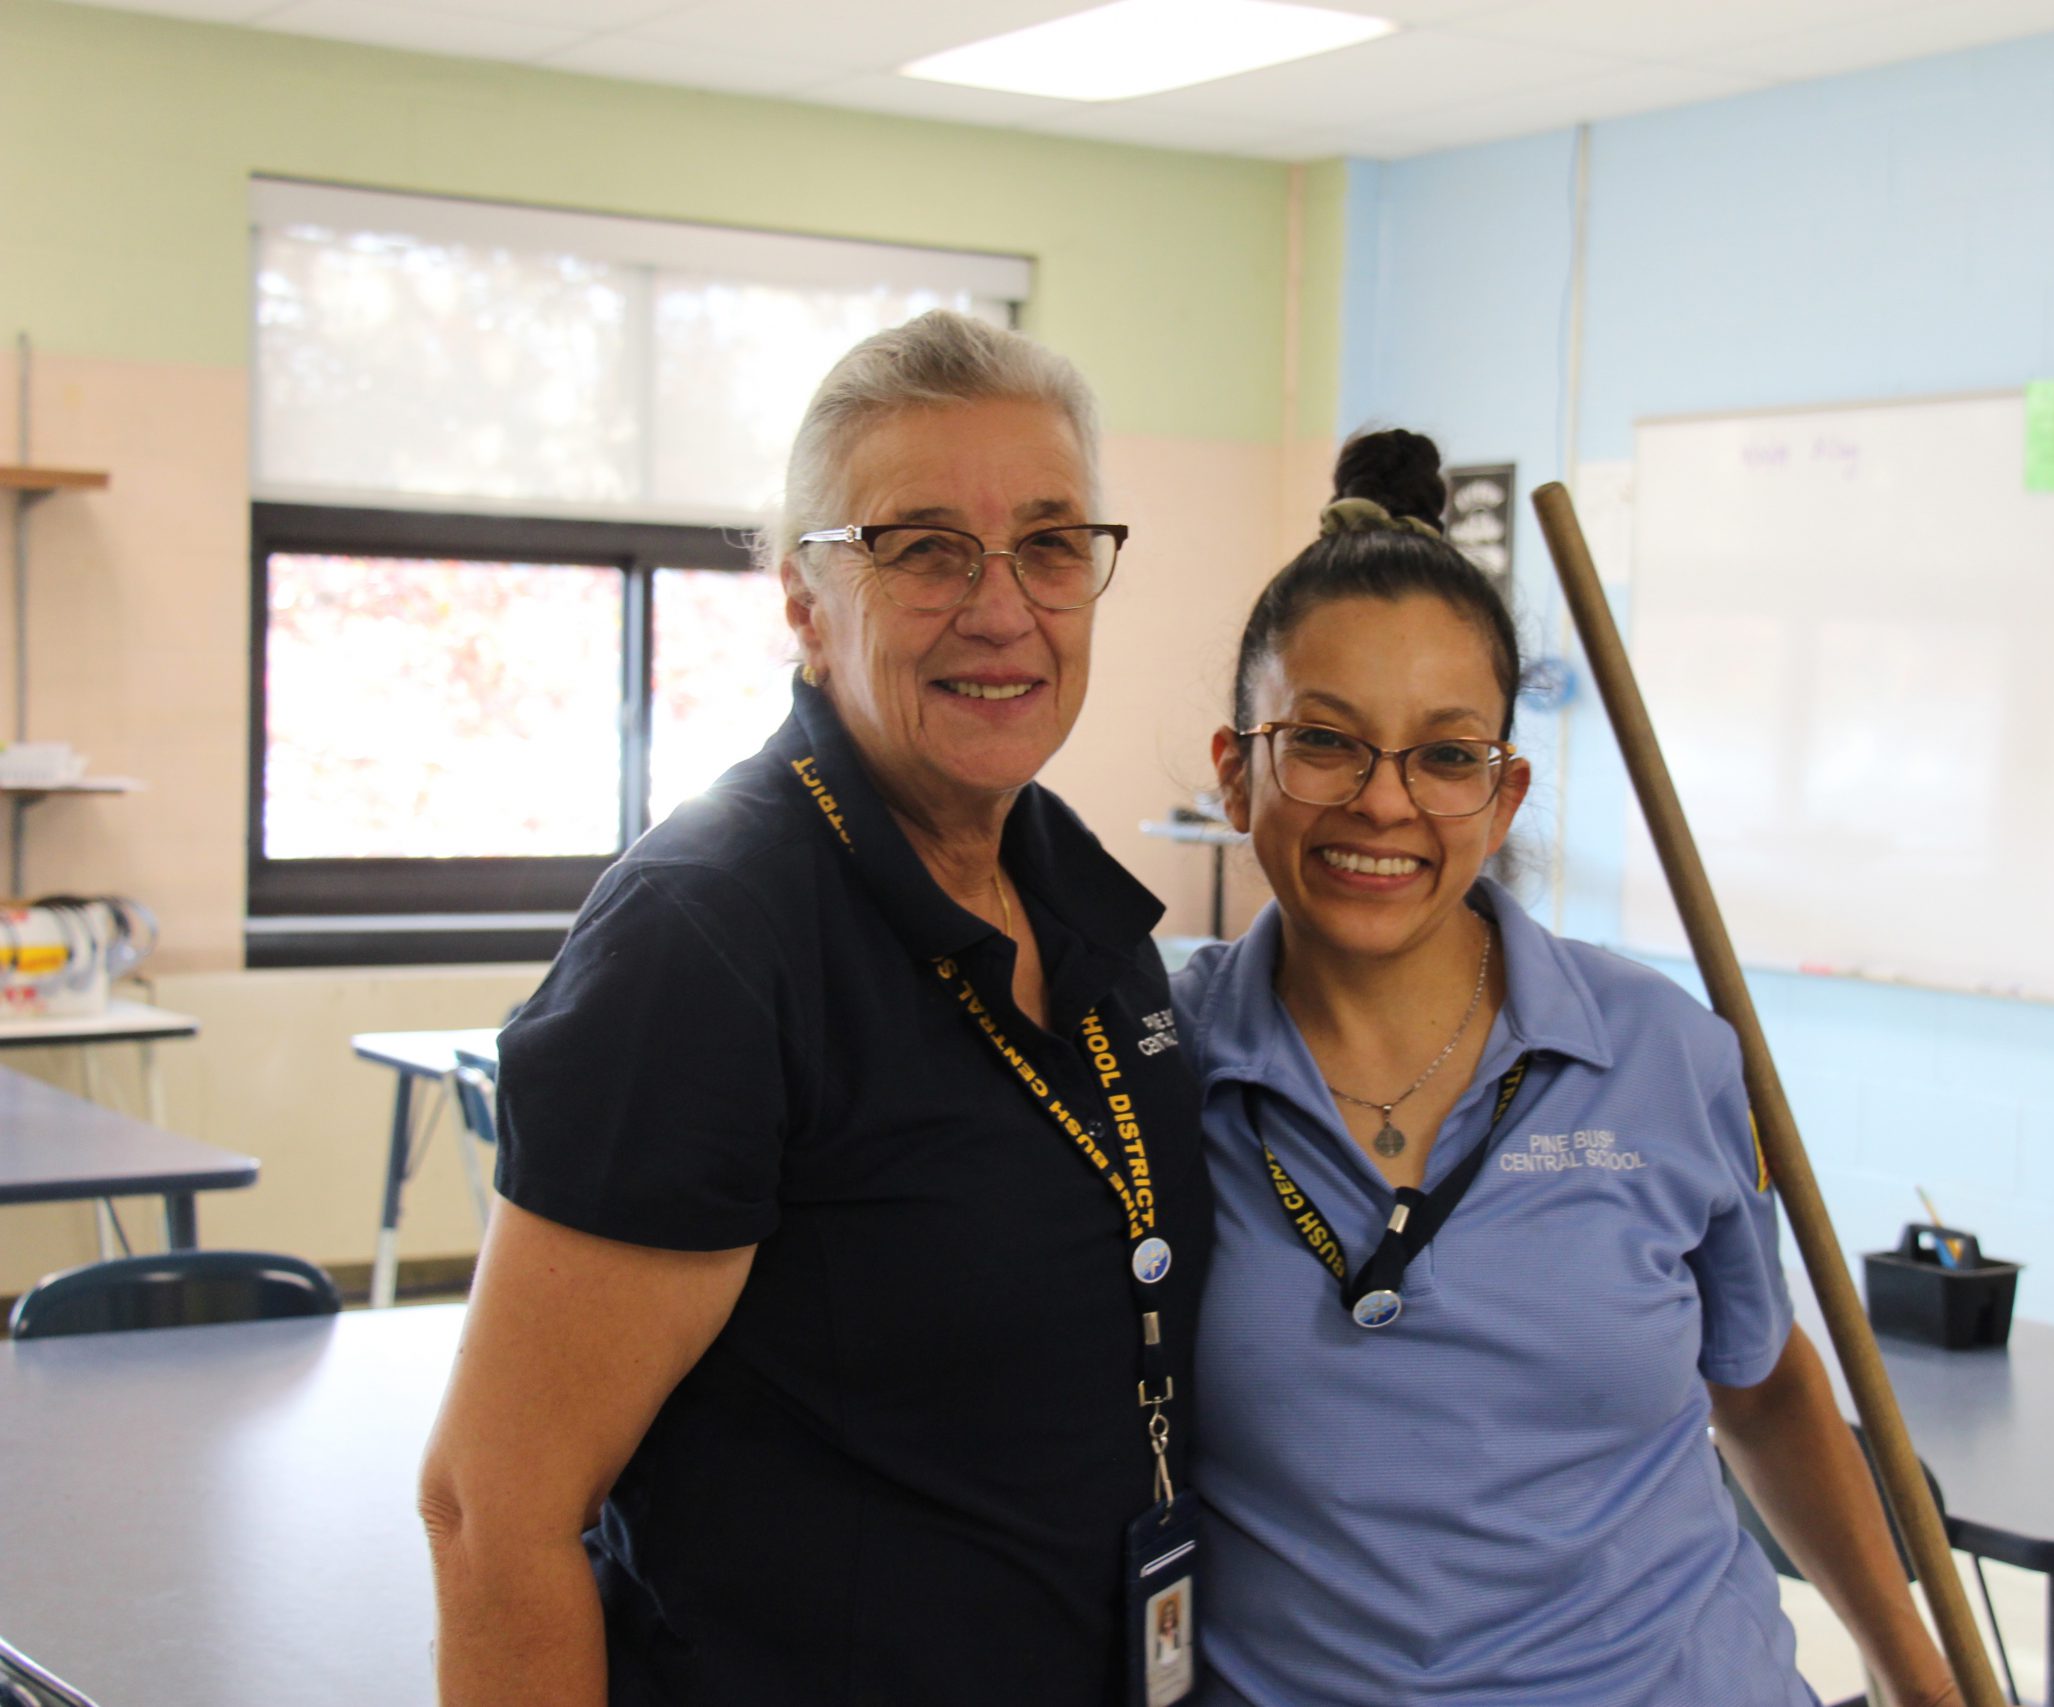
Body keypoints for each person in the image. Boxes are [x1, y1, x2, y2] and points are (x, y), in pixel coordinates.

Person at [417, 311, 1212, 1706]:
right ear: (801, 599)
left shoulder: (1080, 899)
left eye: (1050, 540)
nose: (1002, 606)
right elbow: (493, 1513)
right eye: (922, 546)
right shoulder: (709, 939)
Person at [1173, 429, 1961, 1707]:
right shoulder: (1145, 1055)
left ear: (1504, 792)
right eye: (1324, 742)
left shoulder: (1662, 1052)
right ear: (1235, 772)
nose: (1385, 803)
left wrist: (1916, 1676)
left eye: (1444, 754)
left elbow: (1761, 1392)